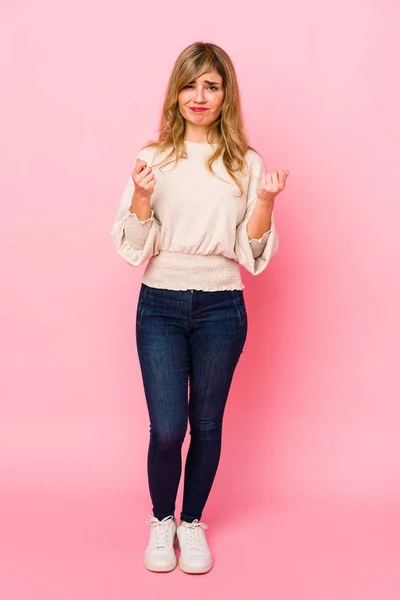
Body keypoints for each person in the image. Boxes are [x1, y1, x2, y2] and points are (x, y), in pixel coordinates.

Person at [110, 41, 289, 575]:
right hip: (161, 304)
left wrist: (265, 202)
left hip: (221, 307)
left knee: (206, 424)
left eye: (211, 85)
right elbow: (131, 246)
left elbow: (250, 252)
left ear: (225, 94)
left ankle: (192, 522)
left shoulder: (245, 163)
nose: (199, 95)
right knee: (167, 428)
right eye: (191, 84)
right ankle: (161, 520)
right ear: (176, 92)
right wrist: (142, 197)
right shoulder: (154, 158)